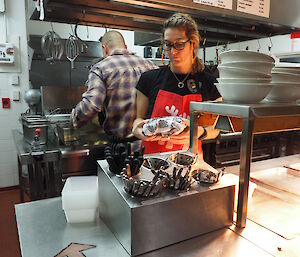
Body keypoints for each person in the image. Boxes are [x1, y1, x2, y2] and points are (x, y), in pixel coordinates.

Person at [132, 13, 221, 154]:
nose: (172, 52)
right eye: (168, 45)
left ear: (193, 43)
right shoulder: (148, 79)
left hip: (189, 163)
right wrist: (137, 129)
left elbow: (216, 129)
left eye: (179, 45)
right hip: (152, 162)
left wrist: (199, 132)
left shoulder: (209, 83)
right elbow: (138, 120)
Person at [71, 30, 157, 144]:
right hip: (151, 142)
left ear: (104, 48)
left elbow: (91, 105)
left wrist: (75, 117)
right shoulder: (151, 65)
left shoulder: (101, 68)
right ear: (125, 46)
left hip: (121, 146)